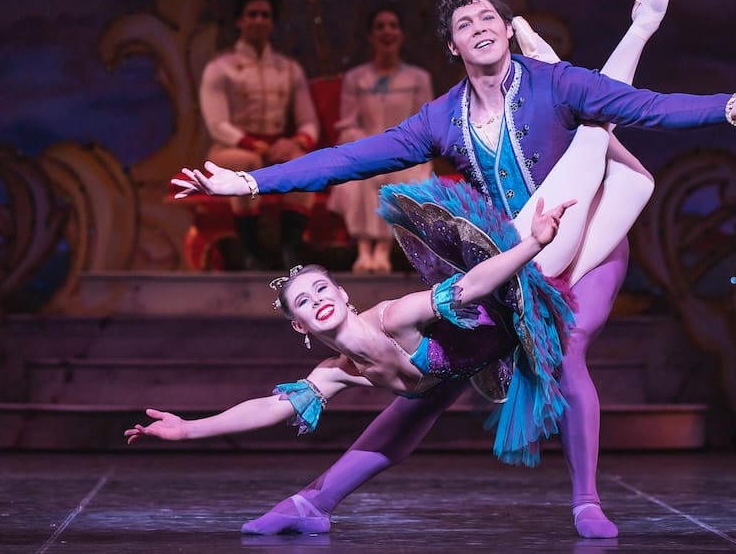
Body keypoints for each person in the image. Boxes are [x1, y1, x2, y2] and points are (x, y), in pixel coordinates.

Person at [174, 0, 736, 539]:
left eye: (489, 17)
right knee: (428, 385)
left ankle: (586, 501)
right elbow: (350, 158)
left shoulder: (555, 85)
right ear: (452, 46)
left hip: (589, 239)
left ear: (507, 30)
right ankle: (314, 502)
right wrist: (250, 182)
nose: (479, 26)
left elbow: (646, 106)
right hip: (510, 258)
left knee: (566, 344)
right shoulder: (440, 119)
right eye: (465, 23)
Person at [126, 192, 579, 533]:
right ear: (300, 325)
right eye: (304, 302)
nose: (317, 300)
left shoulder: (395, 317)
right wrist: (189, 429)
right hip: (469, 365)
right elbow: (269, 407)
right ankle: (310, 507)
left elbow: (472, 287)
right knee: (396, 436)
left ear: (343, 294)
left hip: (522, 298)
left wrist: (534, 243)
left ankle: (587, 501)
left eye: (322, 289)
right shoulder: (336, 370)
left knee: (606, 173)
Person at [199, 0, 321, 269]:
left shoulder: (289, 69)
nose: (258, 21)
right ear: (239, 21)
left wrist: (296, 143)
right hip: (230, 149)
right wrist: (255, 146)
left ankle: (291, 250)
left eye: (265, 15)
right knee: (249, 163)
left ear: (272, 22)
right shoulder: (220, 68)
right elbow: (217, 125)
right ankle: (250, 251)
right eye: (252, 15)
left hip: (277, 149)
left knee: (304, 165)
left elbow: (309, 122)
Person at [327, 7, 434, 273]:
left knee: (403, 174)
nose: (387, 31)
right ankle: (364, 249)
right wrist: (369, 146)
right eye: (380, 26)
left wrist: (399, 147)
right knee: (363, 175)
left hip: (406, 150)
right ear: (371, 36)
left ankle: (384, 249)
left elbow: (426, 122)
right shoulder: (356, 78)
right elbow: (348, 122)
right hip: (366, 148)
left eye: (393, 26)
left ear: (402, 34)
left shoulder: (418, 78)